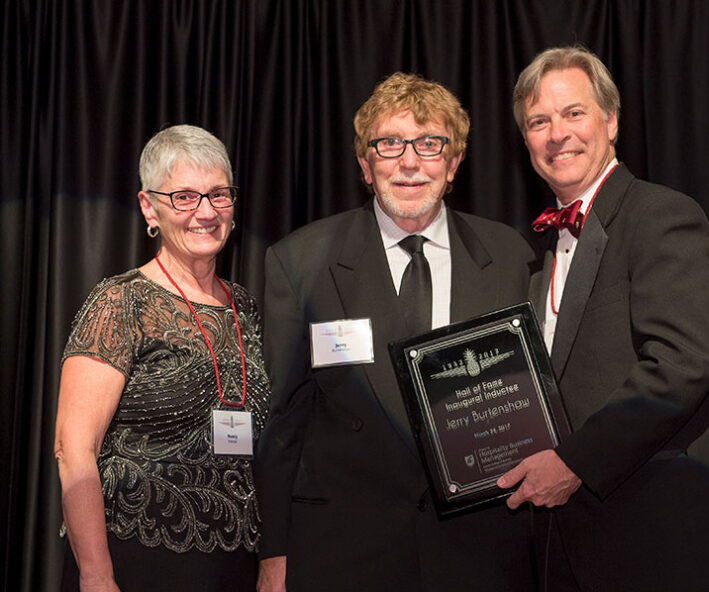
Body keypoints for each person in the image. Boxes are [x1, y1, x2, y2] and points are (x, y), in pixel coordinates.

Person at [255, 72, 536, 591]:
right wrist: (273, 552)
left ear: (453, 164)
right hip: (345, 551)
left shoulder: (511, 258)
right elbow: (281, 423)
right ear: (365, 165)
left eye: (430, 144)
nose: (410, 162)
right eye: (390, 144)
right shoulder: (301, 261)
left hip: (481, 551)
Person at [498, 45, 709, 591]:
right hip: (569, 552)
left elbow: (682, 362)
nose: (557, 133)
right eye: (538, 121)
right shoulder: (538, 253)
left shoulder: (662, 215)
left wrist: (574, 462)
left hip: (662, 548)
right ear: (526, 142)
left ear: (610, 121)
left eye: (573, 113)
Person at [54, 124, 270, 591]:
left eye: (218, 194)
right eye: (185, 197)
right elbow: (74, 450)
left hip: (234, 565)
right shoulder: (120, 302)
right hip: (138, 559)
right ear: (149, 207)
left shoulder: (247, 308)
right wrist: (96, 575)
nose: (206, 212)